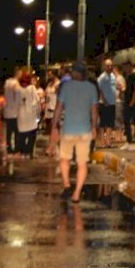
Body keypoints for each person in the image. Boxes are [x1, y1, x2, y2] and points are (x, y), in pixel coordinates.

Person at [49, 62, 98, 203]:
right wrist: (94, 127)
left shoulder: (66, 87)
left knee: (64, 159)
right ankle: (76, 194)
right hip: (85, 130)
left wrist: (54, 127)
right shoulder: (91, 88)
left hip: (68, 130)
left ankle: (66, 185)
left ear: (76, 73)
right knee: (82, 163)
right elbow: (94, 110)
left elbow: (58, 108)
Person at [16, 73, 40, 159]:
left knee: (22, 135)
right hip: (31, 115)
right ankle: (29, 152)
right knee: (32, 135)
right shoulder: (32, 88)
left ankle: (23, 152)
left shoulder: (17, 90)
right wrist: (38, 114)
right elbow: (37, 101)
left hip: (21, 116)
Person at [120, 62, 135, 151]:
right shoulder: (126, 76)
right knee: (126, 121)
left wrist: (132, 102)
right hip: (126, 101)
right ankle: (128, 141)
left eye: (125, 67)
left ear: (130, 67)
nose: (124, 69)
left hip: (133, 102)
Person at [97, 59, 117, 148]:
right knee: (103, 123)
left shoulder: (113, 76)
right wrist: (104, 100)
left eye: (111, 65)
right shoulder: (102, 77)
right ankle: (102, 142)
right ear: (104, 66)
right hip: (104, 103)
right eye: (108, 66)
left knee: (110, 123)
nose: (110, 67)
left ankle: (108, 141)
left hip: (112, 103)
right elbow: (99, 89)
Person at [3, 67, 22, 158]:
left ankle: (9, 149)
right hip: (15, 112)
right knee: (17, 132)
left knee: (9, 132)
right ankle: (16, 150)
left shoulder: (7, 83)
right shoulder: (15, 84)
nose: (21, 75)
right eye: (20, 73)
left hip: (7, 111)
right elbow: (18, 97)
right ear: (17, 73)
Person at [43, 69, 60, 136]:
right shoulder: (49, 84)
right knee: (49, 129)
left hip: (54, 108)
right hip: (48, 108)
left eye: (50, 75)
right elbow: (45, 94)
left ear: (54, 75)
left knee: (55, 128)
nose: (48, 76)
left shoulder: (59, 83)